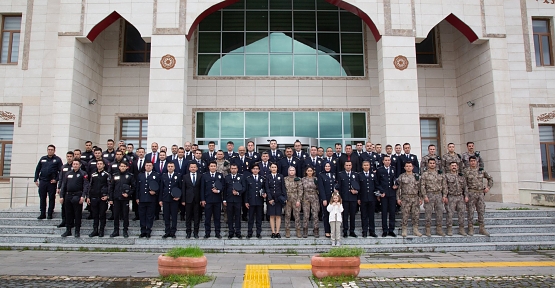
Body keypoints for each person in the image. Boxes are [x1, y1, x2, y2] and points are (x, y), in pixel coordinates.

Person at [59, 160, 89, 238]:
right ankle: (68, 230)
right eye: (74, 164)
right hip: (68, 196)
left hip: (77, 195)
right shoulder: (68, 174)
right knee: (68, 213)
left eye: (77, 164)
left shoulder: (83, 174)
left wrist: (83, 196)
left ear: (80, 165)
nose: (75, 165)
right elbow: (63, 186)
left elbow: (85, 186)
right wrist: (61, 196)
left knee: (77, 214)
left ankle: (77, 231)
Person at [464, 156, 493, 236]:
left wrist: (488, 187)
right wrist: (466, 195)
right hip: (471, 193)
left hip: (480, 193)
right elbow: (464, 184)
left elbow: (490, 178)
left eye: (474, 161)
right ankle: (470, 228)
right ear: (469, 162)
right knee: (470, 211)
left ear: (477, 162)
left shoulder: (481, 170)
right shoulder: (466, 171)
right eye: (471, 161)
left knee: (481, 211)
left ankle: (482, 228)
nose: (473, 162)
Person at [34, 144, 63, 220]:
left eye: (51, 150)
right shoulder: (43, 159)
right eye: (49, 149)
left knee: (51, 198)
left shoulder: (57, 160)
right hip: (43, 181)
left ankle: (50, 213)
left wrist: (56, 179)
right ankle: (42, 213)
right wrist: (35, 179)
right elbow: (37, 169)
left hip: (51, 182)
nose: (50, 151)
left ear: (54, 151)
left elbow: (61, 171)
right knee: (42, 197)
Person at [420, 158, 446, 237]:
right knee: (428, 213)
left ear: (436, 164)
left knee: (439, 213)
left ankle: (439, 229)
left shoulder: (440, 173)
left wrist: (444, 195)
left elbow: (444, 185)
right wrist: (424, 196)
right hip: (429, 195)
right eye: (430, 163)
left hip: (438, 195)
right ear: (428, 164)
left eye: (433, 163)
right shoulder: (425, 174)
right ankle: (428, 229)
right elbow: (422, 186)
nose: (432, 164)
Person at [109, 162, 135, 238]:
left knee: (125, 215)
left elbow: (133, 187)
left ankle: (125, 230)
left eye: (124, 166)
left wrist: (128, 194)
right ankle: (116, 230)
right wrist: (111, 198)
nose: (122, 167)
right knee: (116, 215)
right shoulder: (115, 175)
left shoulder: (130, 176)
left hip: (125, 199)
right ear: (119, 167)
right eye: (121, 166)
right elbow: (111, 188)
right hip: (116, 199)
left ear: (127, 167)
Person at [397, 162, 422, 237]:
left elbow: (420, 188)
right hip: (405, 198)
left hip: (415, 198)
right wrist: (398, 198)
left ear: (412, 167)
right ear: (404, 168)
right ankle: (404, 229)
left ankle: (415, 229)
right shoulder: (401, 177)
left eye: (410, 166)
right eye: (407, 166)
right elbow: (398, 189)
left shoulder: (417, 176)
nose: (408, 167)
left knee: (416, 214)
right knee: (405, 214)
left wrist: (421, 198)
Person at [136, 162, 160, 238]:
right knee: (142, 215)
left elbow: (159, 186)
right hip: (142, 199)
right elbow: (137, 187)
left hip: (151, 199)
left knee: (150, 215)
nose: (148, 167)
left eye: (150, 165)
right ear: (144, 166)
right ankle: (143, 230)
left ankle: (148, 230)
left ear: (152, 167)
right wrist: (137, 198)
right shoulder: (140, 175)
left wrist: (155, 192)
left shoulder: (156, 175)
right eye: (147, 165)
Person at [201, 161, 224, 239]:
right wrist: (203, 199)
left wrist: (218, 191)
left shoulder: (220, 175)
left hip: (217, 200)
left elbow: (223, 186)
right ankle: (207, 233)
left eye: (214, 166)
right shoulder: (204, 176)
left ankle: (217, 233)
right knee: (207, 218)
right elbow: (202, 189)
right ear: (209, 167)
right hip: (208, 200)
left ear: (216, 167)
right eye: (211, 166)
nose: (213, 167)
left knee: (217, 218)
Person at [87, 160, 111, 237]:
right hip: (94, 197)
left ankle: (101, 230)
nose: (99, 165)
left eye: (101, 164)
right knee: (95, 215)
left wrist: (107, 196)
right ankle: (95, 230)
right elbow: (90, 186)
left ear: (104, 165)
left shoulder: (107, 175)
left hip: (102, 198)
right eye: (98, 164)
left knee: (102, 215)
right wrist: (88, 197)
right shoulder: (93, 174)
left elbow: (109, 186)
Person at [444, 162, 468, 236]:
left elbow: (465, 187)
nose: (454, 167)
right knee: (450, 214)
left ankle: (461, 229)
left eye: (455, 166)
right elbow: (445, 187)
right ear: (450, 167)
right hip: (451, 196)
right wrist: (445, 196)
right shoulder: (447, 176)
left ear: (457, 167)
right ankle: (449, 229)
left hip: (460, 197)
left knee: (461, 213)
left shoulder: (461, 176)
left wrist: (466, 196)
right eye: (452, 166)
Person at [376, 155, 397, 237]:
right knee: (384, 212)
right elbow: (377, 182)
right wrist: (381, 191)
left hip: (392, 193)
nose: (387, 161)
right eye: (386, 160)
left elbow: (395, 179)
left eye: (389, 160)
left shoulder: (393, 169)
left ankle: (391, 230)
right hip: (384, 194)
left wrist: (396, 185)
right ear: (383, 161)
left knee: (392, 212)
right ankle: (384, 230)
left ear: (390, 161)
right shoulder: (380, 170)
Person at [159, 162, 182, 238]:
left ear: (174, 167)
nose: (170, 168)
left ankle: (173, 231)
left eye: (172, 166)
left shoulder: (178, 176)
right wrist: (160, 199)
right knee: (166, 216)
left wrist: (179, 197)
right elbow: (161, 188)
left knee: (174, 216)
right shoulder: (164, 176)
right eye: (169, 166)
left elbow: (180, 187)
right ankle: (167, 231)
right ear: (167, 167)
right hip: (165, 199)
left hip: (174, 199)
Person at [337, 161, 358, 238]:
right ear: (344, 166)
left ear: (351, 166)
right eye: (347, 165)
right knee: (345, 216)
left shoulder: (355, 175)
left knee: (353, 215)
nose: (348, 166)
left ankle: (352, 231)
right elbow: (339, 187)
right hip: (344, 198)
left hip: (353, 198)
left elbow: (358, 186)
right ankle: (345, 230)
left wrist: (356, 191)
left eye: (349, 165)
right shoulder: (341, 175)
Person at [358, 161, 379, 238]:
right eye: (364, 165)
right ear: (362, 166)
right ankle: (364, 231)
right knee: (364, 216)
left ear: (369, 166)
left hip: (372, 198)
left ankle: (372, 231)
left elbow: (376, 185)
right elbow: (358, 188)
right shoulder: (359, 175)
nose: (366, 166)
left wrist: (379, 193)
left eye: (367, 165)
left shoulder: (373, 175)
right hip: (363, 198)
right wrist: (358, 198)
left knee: (371, 216)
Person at [266, 163, 286, 238]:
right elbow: (267, 188)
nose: (274, 168)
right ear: (270, 168)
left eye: (275, 167)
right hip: (271, 198)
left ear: (277, 168)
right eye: (272, 167)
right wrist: (270, 198)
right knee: (272, 216)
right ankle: (273, 232)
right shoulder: (268, 177)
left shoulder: (280, 176)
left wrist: (285, 198)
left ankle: (277, 232)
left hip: (279, 198)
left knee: (278, 215)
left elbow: (283, 188)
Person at [245, 164, 265, 239]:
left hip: (259, 201)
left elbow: (264, 188)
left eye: (257, 169)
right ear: (252, 170)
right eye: (254, 169)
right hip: (251, 201)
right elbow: (246, 191)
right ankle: (249, 232)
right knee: (250, 218)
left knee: (259, 218)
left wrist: (264, 193)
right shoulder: (248, 178)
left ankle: (258, 233)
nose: (255, 170)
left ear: (259, 170)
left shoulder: (262, 178)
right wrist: (246, 201)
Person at [182, 162, 202, 239]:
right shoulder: (185, 177)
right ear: (189, 168)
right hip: (188, 199)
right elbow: (183, 189)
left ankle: (196, 232)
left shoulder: (200, 176)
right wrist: (183, 200)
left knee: (197, 217)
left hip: (197, 200)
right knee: (188, 217)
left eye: (194, 167)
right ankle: (188, 232)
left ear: (197, 168)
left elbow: (201, 188)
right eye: (191, 167)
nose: (193, 168)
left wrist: (201, 199)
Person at [224, 163, 244, 239]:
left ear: (237, 169)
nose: (233, 170)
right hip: (229, 200)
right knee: (230, 217)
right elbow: (225, 189)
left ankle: (238, 232)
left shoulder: (241, 177)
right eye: (232, 168)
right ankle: (231, 232)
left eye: (235, 168)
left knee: (238, 216)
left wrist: (238, 192)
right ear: (230, 169)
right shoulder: (227, 177)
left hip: (238, 200)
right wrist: (224, 200)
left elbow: (244, 187)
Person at [56, 151, 75, 228]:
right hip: (64, 188)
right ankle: (64, 220)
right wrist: (59, 187)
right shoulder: (63, 167)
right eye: (68, 156)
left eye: (70, 156)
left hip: (72, 189)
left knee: (72, 207)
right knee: (63, 206)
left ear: (73, 157)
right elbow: (60, 178)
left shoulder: (75, 166)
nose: (69, 158)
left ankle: (71, 221)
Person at [283, 166, 303, 238]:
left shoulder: (298, 179)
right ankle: (287, 230)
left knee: (297, 215)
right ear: (288, 171)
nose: (291, 172)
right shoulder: (285, 179)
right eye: (290, 170)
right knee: (287, 215)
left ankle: (298, 230)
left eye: (293, 170)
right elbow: (283, 189)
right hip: (287, 199)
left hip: (295, 199)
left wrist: (298, 200)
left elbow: (300, 190)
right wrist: (284, 199)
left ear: (295, 171)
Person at [318, 162, 336, 238]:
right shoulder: (321, 175)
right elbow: (321, 188)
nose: (327, 167)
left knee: (334, 215)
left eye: (329, 166)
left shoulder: (333, 175)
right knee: (326, 215)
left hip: (334, 198)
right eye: (326, 166)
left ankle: (333, 230)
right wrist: (324, 199)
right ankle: (327, 231)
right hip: (326, 197)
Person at [301, 166, 320, 238]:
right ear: (306, 172)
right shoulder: (303, 179)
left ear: (313, 172)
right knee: (306, 215)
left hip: (314, 197)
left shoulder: (316, 179)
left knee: (315, 214)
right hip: (306, 198)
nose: (309, 172)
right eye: (308, 171)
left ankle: (316, 229)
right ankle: (305, 230)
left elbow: (318, 188)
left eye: (311, 171)